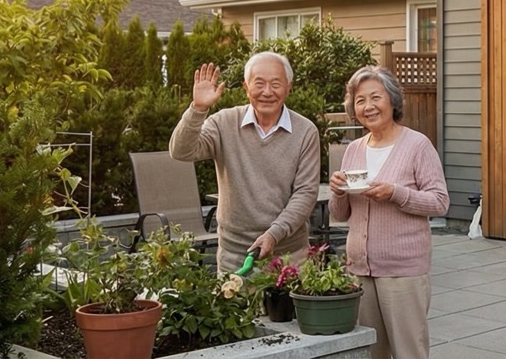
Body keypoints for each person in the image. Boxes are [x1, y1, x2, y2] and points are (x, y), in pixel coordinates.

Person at [329, 66, 449, 359]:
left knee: (409, 352)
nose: (368, 107)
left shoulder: (417, 145)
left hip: (402, 271)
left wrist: (397, 193)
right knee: (371, 352)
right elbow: (340, 214)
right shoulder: (354, 148)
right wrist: (337, 189)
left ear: (393, 101)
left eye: (375, 97)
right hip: (360, 269)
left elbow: (440, 202)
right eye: (360, 100)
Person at [168, 53, 320, 273]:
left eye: (275, 84)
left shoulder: (305, 131)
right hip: (235, 255)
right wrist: (197, 109)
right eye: (259, 83)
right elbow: (181, 151)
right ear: (246, 88)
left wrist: (273, 234)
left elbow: (305, 194)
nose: (267, 92)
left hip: (289, 257)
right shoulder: (223, 123)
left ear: (289, 87)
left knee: (289, 309)